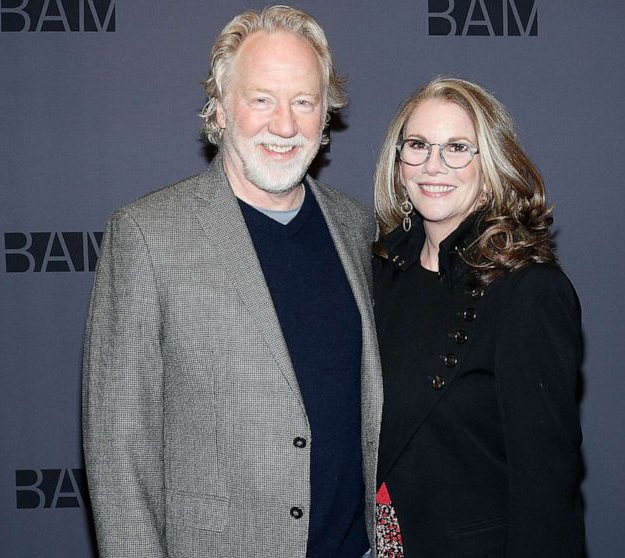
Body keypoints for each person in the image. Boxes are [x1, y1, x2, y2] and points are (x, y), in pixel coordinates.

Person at [81, 6, 381, 557]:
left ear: (326, 116)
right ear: (219, 110)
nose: (284, 125)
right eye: (261, 98)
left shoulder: (357, 227)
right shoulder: (148, 234)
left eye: (303, 102)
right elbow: (117, 453)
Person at [370, 77, 585, 557]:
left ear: (489, 168)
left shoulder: (528, 291)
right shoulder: (378, 273)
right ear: (399, 162)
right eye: (419, 145)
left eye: (457, 148)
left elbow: (547, 486)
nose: (433, 165)